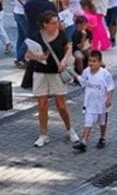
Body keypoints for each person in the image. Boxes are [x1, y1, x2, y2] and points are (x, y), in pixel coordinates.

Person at [26, 10, 81, 147]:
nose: (57, 25)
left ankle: (69, 129)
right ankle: (43, 134)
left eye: (57, 22)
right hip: (41, 72)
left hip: (56, 73)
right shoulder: (36, 36)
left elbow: (69, 46)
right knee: (42, 105)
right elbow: (28, 55)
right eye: (53, 23)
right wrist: (39, 57)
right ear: (45, 24)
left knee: (61, 106)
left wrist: (64, 60)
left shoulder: (61, 34)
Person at [72, 50, 115, 152]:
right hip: (90, 103)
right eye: (90, 61)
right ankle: (84, 142)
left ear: (100, 62)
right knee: (88, 122)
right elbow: (82, 80)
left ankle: (102, 137)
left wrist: (109, 98)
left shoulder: (105, 74)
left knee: (102, 122)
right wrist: (72, 72)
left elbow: (110, 87)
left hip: (102, 104)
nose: (91, 63)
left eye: (94, 61)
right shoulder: (86, 71)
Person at [12, 0, 38, 68]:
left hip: (17, 11)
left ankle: (19, 58)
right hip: (22, 13)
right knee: (29, 37)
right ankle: (20, 57)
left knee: (21, 37)